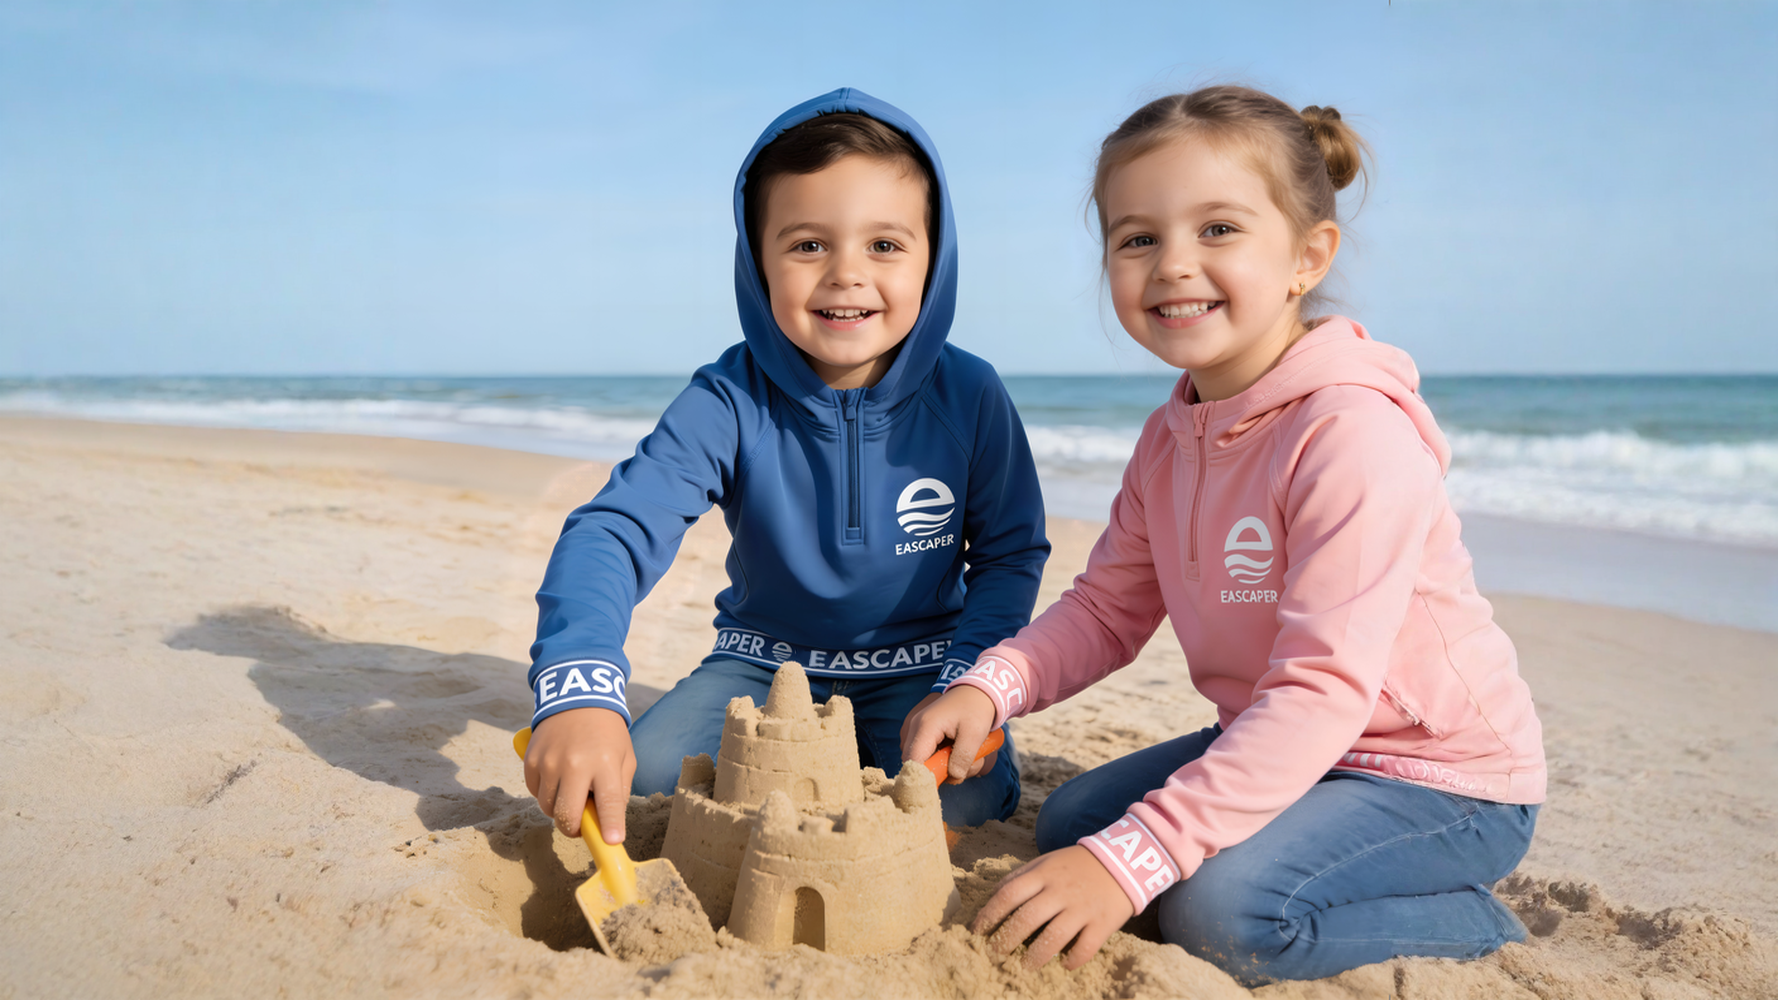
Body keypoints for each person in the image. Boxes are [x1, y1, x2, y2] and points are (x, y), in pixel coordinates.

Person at [903, 85, 1546, 986]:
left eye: (1218, 230)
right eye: (1138, 238)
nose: (1173, 265)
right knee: (1072, 824)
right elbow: (1107, 610)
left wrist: (1140, 859)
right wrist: (993, 687)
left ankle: (1476, 922)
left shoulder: (1351, 433)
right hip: (1287, 744)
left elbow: (1323, 691)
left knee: (1223, 913)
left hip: (1434, 777)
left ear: (1306, 258)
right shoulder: (1172, 438)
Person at [523, 88, 1049, 848]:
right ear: (757, 260)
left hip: (923, 668)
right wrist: (578, 688)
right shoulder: (728, 397)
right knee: (648, 779)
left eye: (885, 245)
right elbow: (615, 529)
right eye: (807, 245)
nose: (846, 275)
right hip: (760, 668)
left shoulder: (970, 394)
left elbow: (1008, 554)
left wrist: (971, 681)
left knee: (960, 807)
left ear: (934, 257)